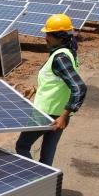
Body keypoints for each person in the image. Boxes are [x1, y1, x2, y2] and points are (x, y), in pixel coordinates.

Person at [15, 14, 87, 166]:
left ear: (59, 37)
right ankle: (44, 183)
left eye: (48, 34)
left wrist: (64, 115)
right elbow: (58, 81)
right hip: (59, 114)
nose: (45, 37)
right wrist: (36, 88)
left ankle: (33, 177)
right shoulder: (68, 52)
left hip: (45, 114)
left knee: (22, 146)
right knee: (47, 155)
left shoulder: (60, 58)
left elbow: (79, 88)